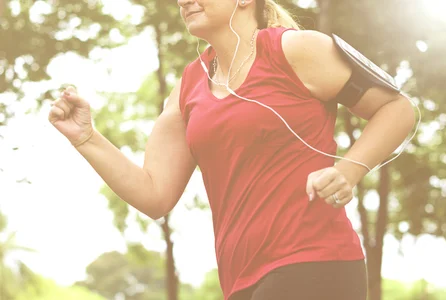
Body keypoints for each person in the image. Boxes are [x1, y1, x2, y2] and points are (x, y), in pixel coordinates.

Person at [48, 0, 416, 299]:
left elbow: (398, 109)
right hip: (240, 280)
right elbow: (154, 195)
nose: (184, 1)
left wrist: (350, 170)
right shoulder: (189, 87)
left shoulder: (295, 49)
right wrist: (86, 138)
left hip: (314, 261)